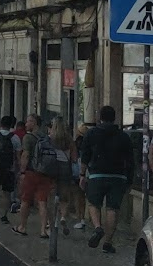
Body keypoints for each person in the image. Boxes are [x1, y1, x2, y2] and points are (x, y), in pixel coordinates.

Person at [80, 104, 135, 254]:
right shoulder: (124, 136)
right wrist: (129, 180)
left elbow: (85, 156)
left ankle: (98, 227)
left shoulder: (91, 134)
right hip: (118, 176)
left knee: (93, 203)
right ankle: (108, 243)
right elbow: (130, 160)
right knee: (113, 209)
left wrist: (82, 175)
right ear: (114, 118)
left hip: (97, 175)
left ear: (100, 117)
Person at [14, 114, 53, 239]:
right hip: (45, 173)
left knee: (25, 200)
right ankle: (43, 230)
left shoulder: (28, 137)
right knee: (42, 201)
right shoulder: (46, 137)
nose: (26, 124)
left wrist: (22, 171)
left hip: (31, 172)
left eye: (29, 121)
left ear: (35, 123)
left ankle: (22, 226)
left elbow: (25, 155)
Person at [48, 117, 76, 236]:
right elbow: (74, 158)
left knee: (51, 195)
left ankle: (51, 222)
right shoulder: (69, 140)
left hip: (52, 167)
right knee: (64, 196)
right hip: (65, 167)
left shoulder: (50, 139)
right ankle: (63, 217)